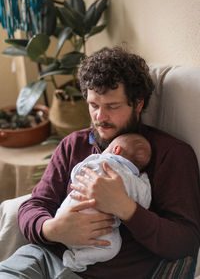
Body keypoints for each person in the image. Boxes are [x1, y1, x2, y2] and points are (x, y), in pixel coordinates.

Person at [0, 46, 200, 279]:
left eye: (112, 107)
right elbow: (34, 205)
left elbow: (185, 241)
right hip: (43, 259)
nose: (100, 117)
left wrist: (124, 207)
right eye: (94, 105)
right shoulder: (73, 144)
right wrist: (54, 229)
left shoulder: (170, 154)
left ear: (138, 104)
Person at [56, 133, 152, 272]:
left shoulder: (98, 161)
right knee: (112, 247)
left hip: (66, 218)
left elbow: (75, 175)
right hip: (98, 233)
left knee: (66, 204)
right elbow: (145, 202)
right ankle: (75, 259)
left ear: (116, 149)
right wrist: (144, 180)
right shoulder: (133, 181)